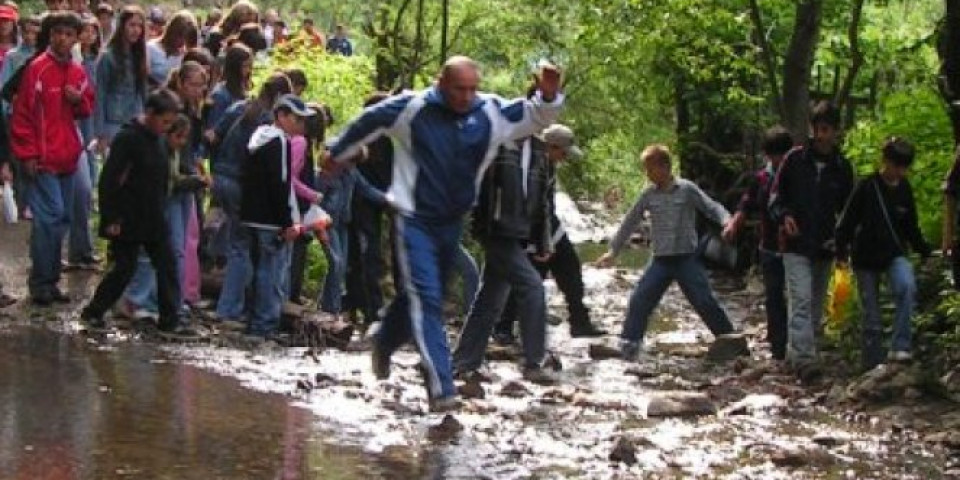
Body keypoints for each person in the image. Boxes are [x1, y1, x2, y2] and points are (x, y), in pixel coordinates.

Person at [325, 55, 563, 411]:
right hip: (414, 219)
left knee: (413, 296)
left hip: (452, 222)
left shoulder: (490, 112)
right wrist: (339, 152)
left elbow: (533, 117)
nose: (466, 97)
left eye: (471, 89)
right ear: (441, 83)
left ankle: (385, 342)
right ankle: (442, 387)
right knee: (427, 297)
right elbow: (370, 119)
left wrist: (548, 95)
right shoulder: (413, 108)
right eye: (458, 89)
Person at [596, 144, 737, 360]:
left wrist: (727, 221)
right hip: (660, 260)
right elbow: (630, 221)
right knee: (640, 299)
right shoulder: (648, 195)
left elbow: (712, 207)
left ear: (664, 167)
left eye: (650, 169)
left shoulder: (687, 189)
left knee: (704, 300)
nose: (648, 174)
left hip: (686, 258)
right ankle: (629, 345)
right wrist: (613, 251)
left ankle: (732, 342)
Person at [81, 89, 196, 336]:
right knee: (124, 268)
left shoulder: (158, 140)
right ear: (150, 114)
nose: (166, 128)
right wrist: (111, 218)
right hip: (128, 216)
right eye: (164, 122)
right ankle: (94, 311)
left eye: (170, 124)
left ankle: (170, 319)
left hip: (153, 215)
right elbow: (110, 180)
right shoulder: (128, 139)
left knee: (167, 264)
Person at [453, 124, 558, 385]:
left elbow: (542, 201)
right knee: (533, 288)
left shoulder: (539, 152)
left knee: (491, 297)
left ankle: (463, 361)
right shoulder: (495, 143)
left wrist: (542, 241)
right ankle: (534, 362)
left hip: (518, 234)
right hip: (495, 230)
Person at [10, 11, 94, 305]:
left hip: (68, 157)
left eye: (69, 34)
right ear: (50, 35)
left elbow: (86, 108)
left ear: (76, 38)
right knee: (50, 217)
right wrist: (28, 154)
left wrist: (77, 99)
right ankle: (41, 282)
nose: (63, 39)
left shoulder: (77, 72)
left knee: (63, 218)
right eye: (58, 32)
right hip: (43, 158)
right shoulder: (37, 69)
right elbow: (22, 116)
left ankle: (50, 280)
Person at [768, 101, 854, 382]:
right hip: (794, 244)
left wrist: (843, 246)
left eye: (826, 129)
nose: (820, 135)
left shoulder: (842, 167)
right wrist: (785, 217)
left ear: (836, 131)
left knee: (815, 305)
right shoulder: (794, 160)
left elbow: (848, 212)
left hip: (825, 246)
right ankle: (805, 360)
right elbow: (775, 199)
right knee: (801, 299)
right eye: (816, 129)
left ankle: (797, 354)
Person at [496, 124, 606, 340]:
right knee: (526, 280)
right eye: (563, 152)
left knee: (571, 272)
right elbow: (529, 205)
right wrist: (539, 241)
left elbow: (546, 205)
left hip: (550, 230)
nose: (564, 157)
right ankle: (503, 328)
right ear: (552, 147)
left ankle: (580, 323)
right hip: (530, 234)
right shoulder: (530, 165)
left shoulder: (548, 164)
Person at [836, 137, 930, 369]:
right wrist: (840, 251)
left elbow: (911, 226)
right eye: (896, 165)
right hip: (865, 258)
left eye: (903, 167)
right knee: (872, 316)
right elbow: (847, 222)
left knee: (906, 286)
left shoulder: (905, 189)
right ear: (885, 161)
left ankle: (901, 346)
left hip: (894, 253)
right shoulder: (866, 186)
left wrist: (925, 250)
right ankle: (872, 364)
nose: (899, 172)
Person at [241, 94, 314, 339]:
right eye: (297, 118)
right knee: (271, 273)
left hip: (250, 215)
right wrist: (287, 221)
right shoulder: (280, 142)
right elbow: (280, 183)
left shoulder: (258, 137)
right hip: (270, 220)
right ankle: (265, 324)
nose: (301, 124)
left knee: (254, 270)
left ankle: (253, 321)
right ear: (281, 116)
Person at [721, 126, 794, 359]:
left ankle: (797, 344)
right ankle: (778, 346)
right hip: (769, 245)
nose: (780, 159)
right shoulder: (761, 179)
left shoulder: (798, 176)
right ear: (767, 154)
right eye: (775, 154)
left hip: (796, 248)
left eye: (783, 154)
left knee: (796, 296)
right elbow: (746, 204)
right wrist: (734, 224)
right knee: (773, 296)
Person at [93, 5, 147, 153]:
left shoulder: (139, 56)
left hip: (135, 120)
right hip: (113, 122)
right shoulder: (108, 57)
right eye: (132, 25)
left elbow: (143, 92)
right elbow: (100, 94)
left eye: (139, 26)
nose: (136, 30)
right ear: (122, 26)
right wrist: (100, 132)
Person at [146, 9, 196, 86]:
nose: (182, 41)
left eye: (186, 38)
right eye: (180, 36)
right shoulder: (150, 48)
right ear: (172, 31)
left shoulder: (184, 55)